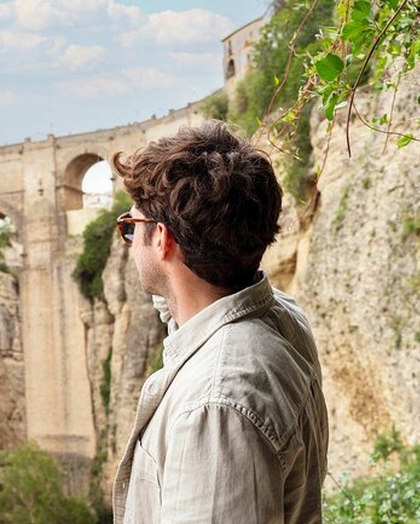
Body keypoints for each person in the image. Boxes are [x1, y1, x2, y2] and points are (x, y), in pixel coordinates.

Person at [109, 121, 328, 523]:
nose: (128, 241)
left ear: (162, 239)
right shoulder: (278, 314)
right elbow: (180, 304)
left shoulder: (215, 407)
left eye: (130, 227)